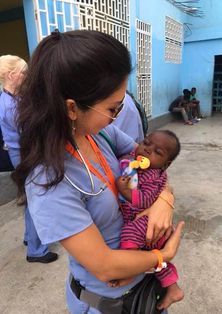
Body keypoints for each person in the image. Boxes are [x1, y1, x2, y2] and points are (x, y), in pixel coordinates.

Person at [12, 30, 184, 314]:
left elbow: (154, 168)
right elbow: (105, 267)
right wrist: (163, 255)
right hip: (109, 303)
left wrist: (164, 201)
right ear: (71, 108)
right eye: (113, 108)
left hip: (146, 289)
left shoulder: (101, 135)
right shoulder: (49, 181)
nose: (117, 116)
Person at [116, 130, 183, 310]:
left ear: (165, 164)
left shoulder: (154, 176)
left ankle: (131, 269)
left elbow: (145, 200)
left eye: (157, 152)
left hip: (145, 221)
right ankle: (173, 287)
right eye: (146, 143)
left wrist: (125, 191)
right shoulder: (135, 162)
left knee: (128, 235)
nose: (147, 150)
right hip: (142, 222)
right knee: (157, 258)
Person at [0, 55, 58, 263]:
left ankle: (29, 238)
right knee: (37, 200)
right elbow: (29, 132)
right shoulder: (10, 105)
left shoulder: (11, 98)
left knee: (29, 196)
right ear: (11, 75)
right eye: (24, 72)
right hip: (25, 154)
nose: (26, 76)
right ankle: (36, 250)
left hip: (23, 152)